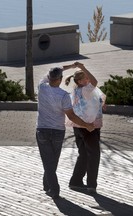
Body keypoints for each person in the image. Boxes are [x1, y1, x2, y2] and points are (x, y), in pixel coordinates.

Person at [36, 65, 95, 200]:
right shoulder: (63, 95)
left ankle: (48, 185)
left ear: (49, 78)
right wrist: (86, 125)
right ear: (60, 79)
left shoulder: (42, 87)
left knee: (48, 161)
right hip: (57, 131)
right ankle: (54, 189)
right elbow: (72, 116)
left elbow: (55, 71)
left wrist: (68, 66)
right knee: (52, 161)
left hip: (42, 130)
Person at [65, 62, 106, 194]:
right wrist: (82, 67)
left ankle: (75, 181)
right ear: (80, 81)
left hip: (78, 125)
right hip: (89, 126)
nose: (88, 79)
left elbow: (98, 97)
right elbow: (95, 81)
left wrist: (102, 103)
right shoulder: (86, 89)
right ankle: (91, 185)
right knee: (94, 154)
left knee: (83, 153)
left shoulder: (76, 90)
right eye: (85, 77)